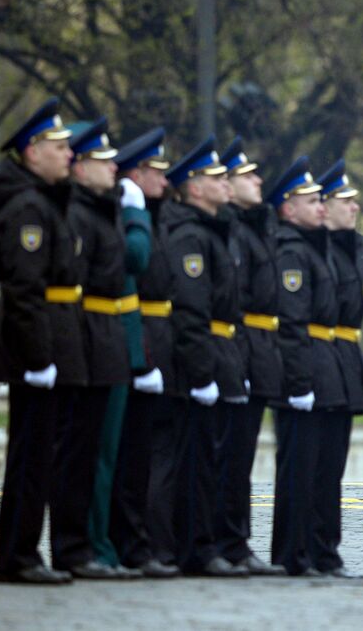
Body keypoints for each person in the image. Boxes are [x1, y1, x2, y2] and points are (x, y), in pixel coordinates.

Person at [0, 99, 78, 585]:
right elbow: (25, 290)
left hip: (48, 340)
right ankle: (17, 556)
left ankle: (20, 552)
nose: (68, 154)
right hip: (33, 347)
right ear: (32, 151)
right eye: (58, 147)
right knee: (30, 458)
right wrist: (39, 357)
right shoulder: (27, 207)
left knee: (38, 457)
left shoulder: (41, 200)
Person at [162, 137, 248, 578]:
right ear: (194, 188)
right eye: (215, 177)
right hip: (203, 359)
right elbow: (191, 311)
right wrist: (201, 374)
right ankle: (196, 548)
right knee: (197, 464)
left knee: (215, 462)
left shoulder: (212, 231)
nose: (224, 183)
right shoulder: (191, 236)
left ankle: (208, 544)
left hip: (220, 353)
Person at [63, 118, 140, 580]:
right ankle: (84, 546)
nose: (114, 167)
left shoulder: (101, 208)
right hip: (87, 336)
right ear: (79, 166)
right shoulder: (79, 212)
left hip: (106, 336)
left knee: (102, 454)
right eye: (102, 160)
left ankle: (97, 545)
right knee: (83, 456)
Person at [267, 157, 347, 577]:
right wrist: (299, 382)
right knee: (299, 471)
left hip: (324, 365)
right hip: (304, 371)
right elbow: (292, 322)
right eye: (311, 200)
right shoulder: (291, 252)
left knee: (324, 470)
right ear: (288, 208)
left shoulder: (314, 247)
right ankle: (293, 554)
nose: (320, 206)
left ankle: (320, 552)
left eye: (320, 200)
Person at [106, 127, 179, 578]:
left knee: (146, 455)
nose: (164, 180)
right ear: (135, 175)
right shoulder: (131, 217)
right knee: (133, 455)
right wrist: (144, 358)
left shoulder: (155, 217)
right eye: (156, 171)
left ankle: (145, 543)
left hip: (156, 338)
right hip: (139, 337)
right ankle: (131, 544)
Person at [217, 138, 286, 575]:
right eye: (247, 175)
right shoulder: (233, 231)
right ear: (226, 184)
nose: (258, 180)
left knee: (241, 457)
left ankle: (235, 542)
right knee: (228, 456)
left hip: (257, 349)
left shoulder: (254, 227)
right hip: (239, 348)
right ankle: (226, 542)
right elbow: (234, 300)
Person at [315, 159, 363, 578]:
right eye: (344, 201)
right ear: (324, 206)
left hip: (344, 358)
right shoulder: (316, 249)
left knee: (332, 467)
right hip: (319, 359)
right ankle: (307, 550)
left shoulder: (353, 246)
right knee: (312, 466)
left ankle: (326, 551)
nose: (354, 207)